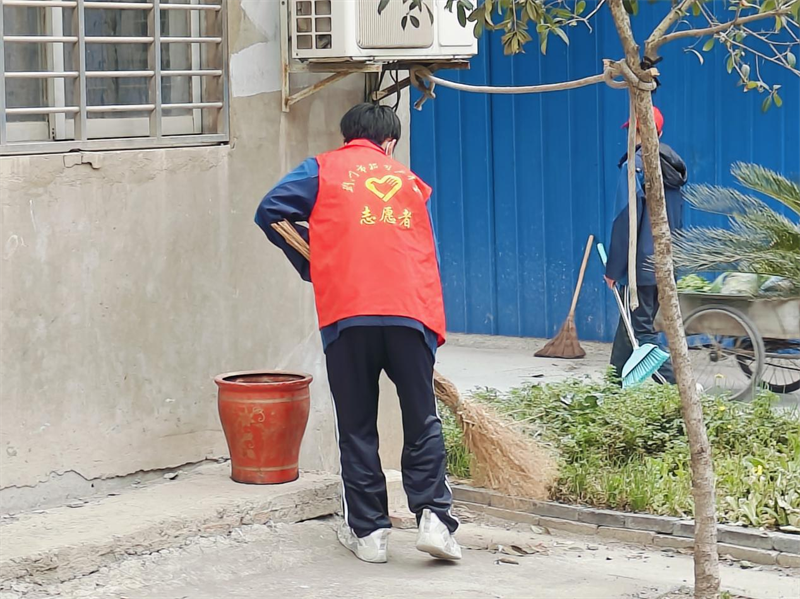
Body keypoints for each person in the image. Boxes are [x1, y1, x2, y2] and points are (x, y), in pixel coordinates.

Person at [254, 103, 460, 564]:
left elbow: (270, 210)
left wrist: (314, 258)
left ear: (347, 136)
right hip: (410, 313)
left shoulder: (322, 170)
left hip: (349, 313)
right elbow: (422, 251)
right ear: (390, 143)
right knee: (421, 420)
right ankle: (434, 520)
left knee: (357, 425)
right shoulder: (410, 182)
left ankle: (370, 535)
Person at [604, 107, 688, 385]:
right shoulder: (672, 168)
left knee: (642, 333)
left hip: (640, 266)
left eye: (632, 130)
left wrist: (613, 269)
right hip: (664, 262)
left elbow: (625, 219)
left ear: (638, 132)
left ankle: (681, 385)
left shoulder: (635, 166)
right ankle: (613, 386)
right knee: (629, 323)